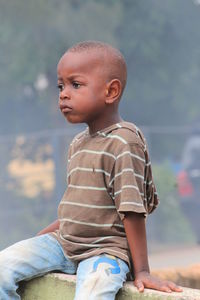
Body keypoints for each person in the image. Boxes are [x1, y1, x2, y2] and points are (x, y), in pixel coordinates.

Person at [0, 41, 182, 300]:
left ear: (111, 91)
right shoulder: (78, 143)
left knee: (92, 295)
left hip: (106, 252)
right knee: (2, 266)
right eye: (61, 86)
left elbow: (132, 210)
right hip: (64, 245)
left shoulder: (124, 141)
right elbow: (80, 208)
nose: (63, 94)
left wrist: (142, 270)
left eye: (76, 85)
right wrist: (37, 240)